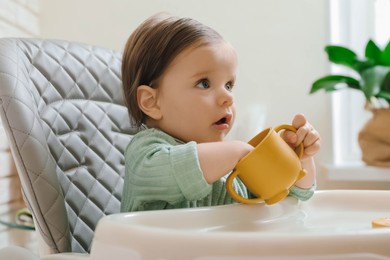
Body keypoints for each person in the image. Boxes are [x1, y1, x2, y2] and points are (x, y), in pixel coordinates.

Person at [120, 13, 321, 213]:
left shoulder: (233, 167)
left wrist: (299, 158)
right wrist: (237, 152)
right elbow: (183, 167)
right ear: (152, 102)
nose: (228, 97)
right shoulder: (144, 155)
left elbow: (287, 199)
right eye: (204, 83)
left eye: (229, 85)